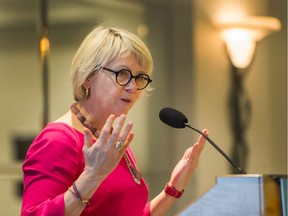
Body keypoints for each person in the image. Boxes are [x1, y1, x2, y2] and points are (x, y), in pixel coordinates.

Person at [21, 25, 208, 216]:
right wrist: (92, 176)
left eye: (139, 77)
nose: (133, 87)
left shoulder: (109, 137)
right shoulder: (59, 139)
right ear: (88, 77)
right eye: (123, 74)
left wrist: (173, 189)